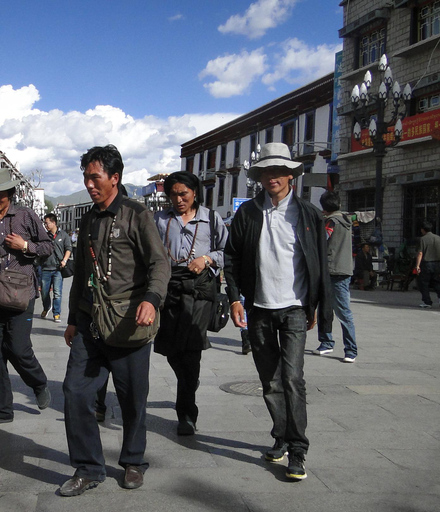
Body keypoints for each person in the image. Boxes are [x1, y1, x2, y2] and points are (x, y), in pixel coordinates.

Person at [60, 145, 169, 496]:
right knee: (75, 393)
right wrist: (74, 318)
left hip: (128, 323)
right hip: (91, 324)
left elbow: (159, 263)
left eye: (95, 177)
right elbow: (81, 273)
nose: (90, 184)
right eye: (86, 177)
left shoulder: (137, 215)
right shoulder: (89, 218)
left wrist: (152, 299)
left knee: (133, 398)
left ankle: (133, 461)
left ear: (115, 178)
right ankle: (89, 467)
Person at [224, 142, 332, 481]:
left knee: (292, 378)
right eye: (267, 172)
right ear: (261, 177)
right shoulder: (248, 213)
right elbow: (232, 258)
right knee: (269, 380)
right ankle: (281, 435)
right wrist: (235, 299)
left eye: (279, 171)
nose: (273, 177)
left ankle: (298, 449)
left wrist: (319, 307)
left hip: (295, 308)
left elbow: (319, 265)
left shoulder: (307, 214)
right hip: (259, 307)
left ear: (291, 176)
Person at [0, 168, 53, 427]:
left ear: (10, 194)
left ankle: (38, 383)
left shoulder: (25, 215)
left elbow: (48, 246)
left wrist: (25, 246)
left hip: (21, 294)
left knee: (18, 348)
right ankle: (1, 409)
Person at [153, 171, 227, 436]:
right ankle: (189, 381)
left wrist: (206, 259)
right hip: (170, 287)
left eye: (183, 193)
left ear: (195, 192)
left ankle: (187, 414)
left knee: (192, 348)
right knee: (172, 349)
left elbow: (226, 251)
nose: (178, 199)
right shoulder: (160, 219)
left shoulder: (211, 218)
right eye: (173, 194)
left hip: (199, 289)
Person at [314, 191, 358, 363]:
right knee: (332, 309)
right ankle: (329, 343)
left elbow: (323, 240)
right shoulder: (347, 220)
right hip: (345, 268)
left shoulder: (331, 222)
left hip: (332, 269)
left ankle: (347, 348)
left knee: (338, 311)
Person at [40, 213, 72, 322]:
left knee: (57, 292)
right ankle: (46, 307)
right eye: (45, 223)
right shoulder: (44, 236)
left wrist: (64, 260)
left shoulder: (63, 235)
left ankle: (56, 313)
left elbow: (68, 248)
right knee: (44, 292)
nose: (46, 225)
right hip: (45, 268)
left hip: (58, 269)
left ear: (53, 223)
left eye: (47, 223)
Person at [415, 220, 440, 308]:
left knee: (423, 283)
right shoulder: (438, 238)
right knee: (437, 282)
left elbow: (420, 253)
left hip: (426, 264)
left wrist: (417, 265)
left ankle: (427, 302)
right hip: (437, 264)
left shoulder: (422, 239)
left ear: (423, 229)